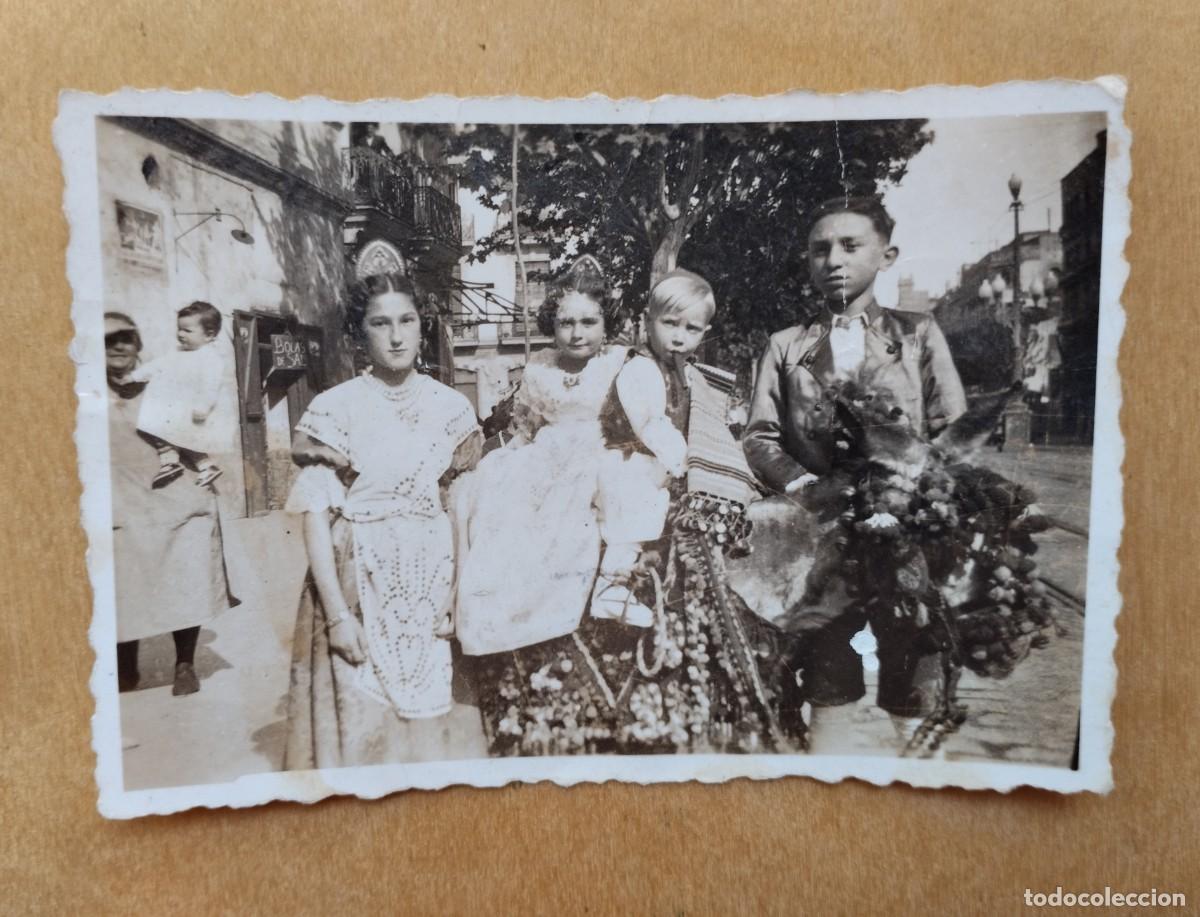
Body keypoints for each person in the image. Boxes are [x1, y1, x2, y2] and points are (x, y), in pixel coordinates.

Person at [742, 195, 967, 754]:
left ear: (886, 255)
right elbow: (760, 436)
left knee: (914, 667)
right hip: (819, 539)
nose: (834, 260)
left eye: (850, 245)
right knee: (826, 677)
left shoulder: (917, 335)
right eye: (820, 250)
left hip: (905, 532)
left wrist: (908, 491)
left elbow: (953, 429)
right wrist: (805, 487)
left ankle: (923, 788)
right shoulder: (786, 346)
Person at [282, 272, 486, 770]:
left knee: (439, 734)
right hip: (359, 580)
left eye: (406, 321)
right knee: (366, 731)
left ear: (422, 326)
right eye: (380, 323)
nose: (395, 336)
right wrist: (336, 616)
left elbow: (463, 509)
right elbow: (315, 514)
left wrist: (459, 595)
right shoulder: (333, 408)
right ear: (360, 332)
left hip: (435, 579)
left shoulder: (452, 408)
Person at [453, 255, 627, 656]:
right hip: (543, 458)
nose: (577, 333)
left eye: (588, 322)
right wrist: (495, 466)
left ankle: (564, 618)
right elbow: (526, 431)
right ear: (553, 324)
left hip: (598, 456)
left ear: (606, 325)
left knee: (574, 530)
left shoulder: (618, 364)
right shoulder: (539, 366)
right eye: (566, 323)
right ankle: (504, 622)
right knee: (498, 512)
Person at [106, 312, 238, 697]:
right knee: (122, 583)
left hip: (173, 497)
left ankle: (184, 665)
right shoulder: (86, 393)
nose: (116, 347)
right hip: (121, 503)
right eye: (107, 341)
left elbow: (199, 428)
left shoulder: (165, 382)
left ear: (137, 345)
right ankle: (125, 669)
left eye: (125, 339)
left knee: (187, 573)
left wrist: (203, 469)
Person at [590, 270, 711, 624]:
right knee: (635, 508)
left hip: (654, 466)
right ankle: (610, 588)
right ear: (647, 321)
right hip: (627, 462)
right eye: (670, 324)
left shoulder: (684, 372)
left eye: (691, 330)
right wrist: (685, 461)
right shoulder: (641, 369)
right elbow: (651, 424)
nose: (679, 337)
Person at [125, 301, 226, 488]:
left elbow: (212, 385)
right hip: (174, 407)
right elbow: (157, 365)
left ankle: (177, 462)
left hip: (191, 409)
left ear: (209, 335)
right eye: (179, 329)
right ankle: (197, 465)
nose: (180, 334)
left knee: (177, 434)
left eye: (187, 331)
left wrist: (203, 406)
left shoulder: (210, 358)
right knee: (172, 433)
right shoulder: (177, 353)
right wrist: (135, 376)